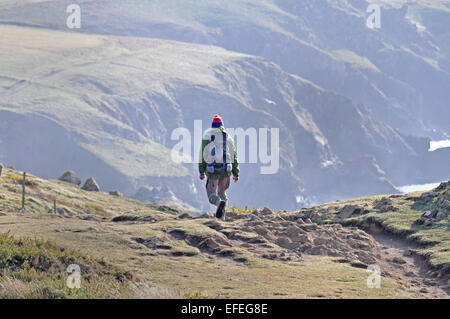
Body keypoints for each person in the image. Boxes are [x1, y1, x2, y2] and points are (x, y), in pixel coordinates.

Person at [199, 115, 239, 219]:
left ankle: (218, 203)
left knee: (212, 195)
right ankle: (222, 218)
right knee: (222, 193)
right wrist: (236, 173)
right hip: (226, 170)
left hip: (213, 171)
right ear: (222, 126)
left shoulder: (207, 137)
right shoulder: (228, 138)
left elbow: (202, 155)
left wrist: (201, 172)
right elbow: (234, 156)